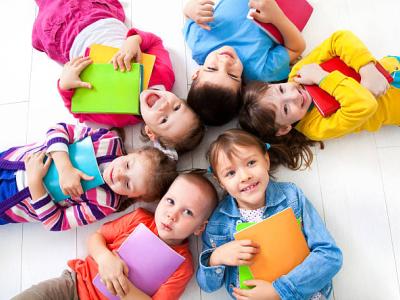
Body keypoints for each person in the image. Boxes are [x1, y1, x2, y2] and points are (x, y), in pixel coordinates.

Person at [33, 0, 205, 154]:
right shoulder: (164, 75)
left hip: (66, 36)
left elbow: (78, 110)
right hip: (99, 14)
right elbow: (154, 42)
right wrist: (134, 41)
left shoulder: (119, 116)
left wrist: (66, 85)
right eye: (176, 107)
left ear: (149, 131)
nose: (164, 106)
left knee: (49, 7)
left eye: (164, 119)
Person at [11, 173, 218, 300]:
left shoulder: (183, 266)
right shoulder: (139, 219)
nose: (172, 215)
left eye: (188, 212)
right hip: (74, 285)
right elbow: (96, 237)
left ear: (200, 228)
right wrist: (105, 259)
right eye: (170, 201)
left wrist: (120, 284)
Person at [196, 129, 342, 300]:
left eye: (251, 163)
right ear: (220, 182)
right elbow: (207, 285)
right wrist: (216, 258)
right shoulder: (218, 223)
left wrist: (278, 290)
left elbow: (330, 256)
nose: (245, 176)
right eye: (231, 173)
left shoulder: (291, 196)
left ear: (266, 160)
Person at [239, 30, 400, 168]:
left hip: (393, 66)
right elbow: (365, 105)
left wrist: (366, 68)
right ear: (284, 128)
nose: (294, 95)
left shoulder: (297, 74)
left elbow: (339, 39)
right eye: (286, 109)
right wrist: (321, 77)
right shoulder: (314, 126)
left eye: (281, 89)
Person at [0, 123, 177, 231]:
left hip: (13, 204)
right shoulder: (108, 141)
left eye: (129, 184)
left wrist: (35, 183)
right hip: (12, 160)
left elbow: (56, 222)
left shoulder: (105, 202)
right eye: (129, 165)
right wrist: (64, 168)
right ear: (136, 152)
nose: (120, 175)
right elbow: (58, 130)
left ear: (134, 197)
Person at [183, 0, 305, 125]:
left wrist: (191, 9)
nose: (225, 62)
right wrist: (277, 17)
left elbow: (187, 15)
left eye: (212, 68)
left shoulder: (198, 44)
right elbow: (296, 48)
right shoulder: (259, 71)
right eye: (232, 75)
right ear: (242, 86)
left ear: (197, 73)